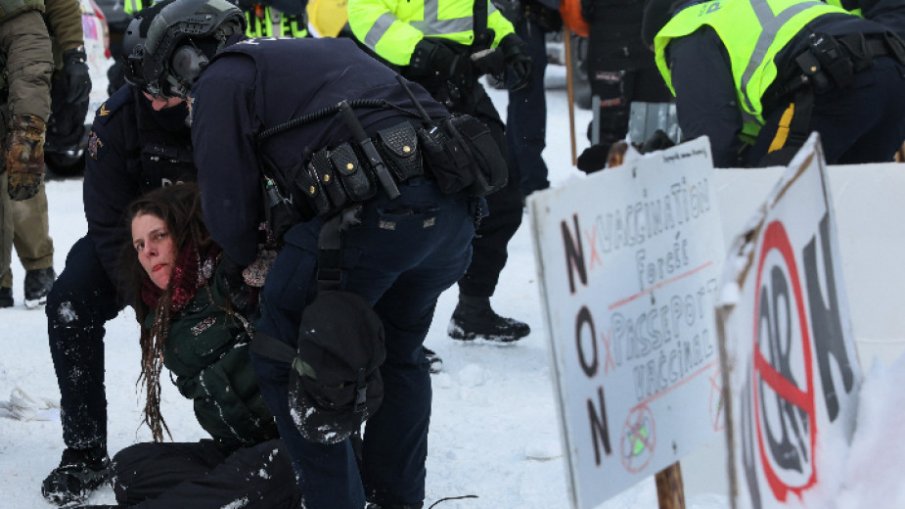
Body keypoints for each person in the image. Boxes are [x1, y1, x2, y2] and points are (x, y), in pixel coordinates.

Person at [123, 0, 485, 506]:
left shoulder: (220, 80)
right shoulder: (316, 53)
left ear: (182, 58)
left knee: (285, 354)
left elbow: (228, 208)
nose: (167, 101)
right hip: (452, 214)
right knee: (398, 355)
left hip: (375, 218)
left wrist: (248, 262)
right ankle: (395, 499)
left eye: (165, 86)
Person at [40, 9, 196, 504]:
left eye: (165, 90)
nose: (156, 101)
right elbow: (107, 226)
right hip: (135, 245)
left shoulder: (228, 102)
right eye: (147, 89)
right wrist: (148, 299)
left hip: (214, 243)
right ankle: (85, 449)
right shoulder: (118, 118)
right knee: (70, 301)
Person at [70, 184, 297, 509]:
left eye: (158, 236)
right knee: (130, 468)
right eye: (139, 245)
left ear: (184, 233)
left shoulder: (235, 275)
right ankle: (228, 494)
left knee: (271, 470)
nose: (147, 252)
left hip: (296, 449)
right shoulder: (163, 313)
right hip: (238, 450)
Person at [348, 0, 536, 342]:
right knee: (411, 216)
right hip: (403, 86)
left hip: (461, 84)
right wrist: (422, 51)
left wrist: (508, 40)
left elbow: (476, 9)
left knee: (502, 196)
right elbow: (364, 12)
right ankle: (393, 334)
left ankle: (474, 309)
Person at [642, 0, 905, 167]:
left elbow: (712, 142)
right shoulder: (739, 13)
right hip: (893, 69)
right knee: (848, 197)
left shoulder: (688, 31)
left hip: (828, 81)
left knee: (763, 191)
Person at [575, 0, 673, 173]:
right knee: (652, 128)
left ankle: (606, 178)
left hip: (610, 43)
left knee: (610, 130)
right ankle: (650, 178)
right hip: (649, 40)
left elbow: (582, 11)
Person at [0, 0, 55, 308]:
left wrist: (28, 126)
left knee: (22, 163)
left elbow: (30, 65)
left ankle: (39, 265)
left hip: (14, 92)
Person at [495, 0, 561, 196]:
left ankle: (516, 176)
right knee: (528, 105)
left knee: (522, 101)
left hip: (518, 23)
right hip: (522, 23)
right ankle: (531, 180)